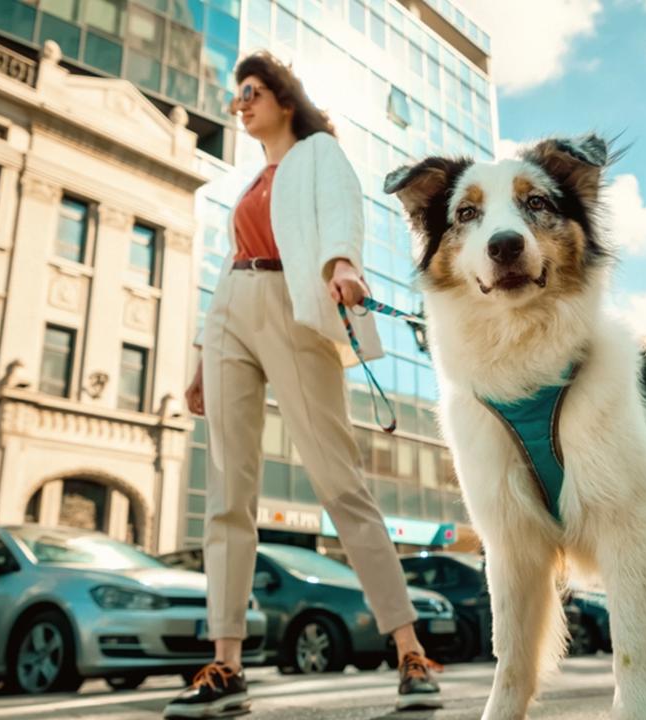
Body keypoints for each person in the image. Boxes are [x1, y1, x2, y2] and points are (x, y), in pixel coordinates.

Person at [164, 51, 441, 718]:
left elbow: (344, 211)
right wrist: (203, 359)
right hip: (233, 305)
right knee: (228, 492)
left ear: (284, 98)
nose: (240, 103)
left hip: (295, 306)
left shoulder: (318, 153)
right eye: (237, 95)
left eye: (251, 91)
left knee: (339, 483)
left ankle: (408, 649)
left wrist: (344, 262)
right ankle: (226, 664)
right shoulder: (254, 179)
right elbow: (231, 261)